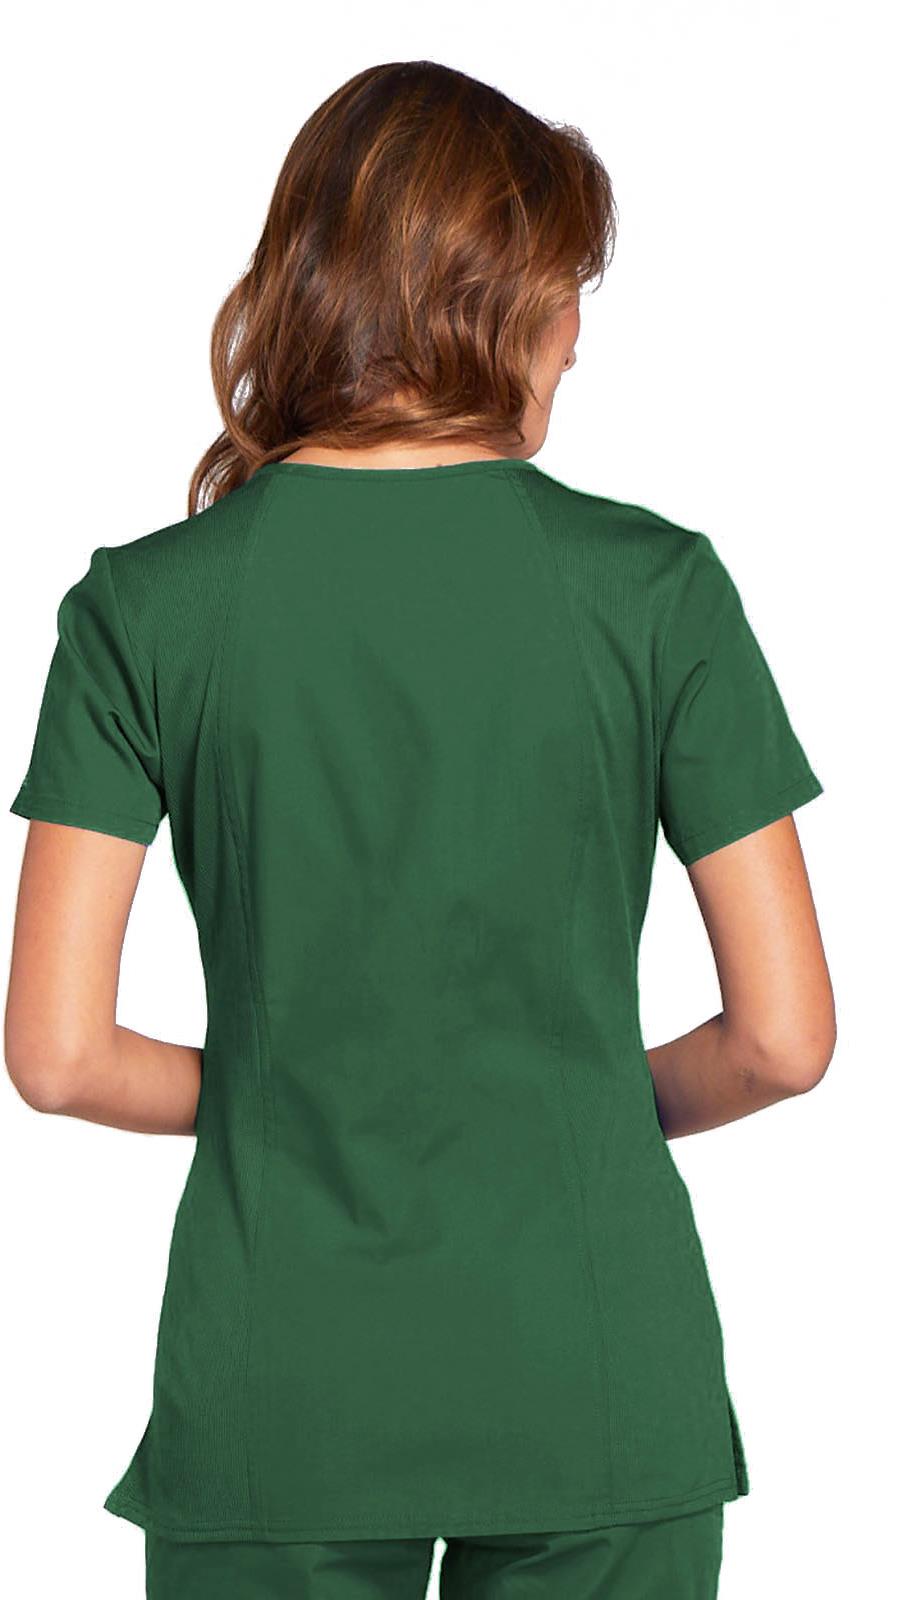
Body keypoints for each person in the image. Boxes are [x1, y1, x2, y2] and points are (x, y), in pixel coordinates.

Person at [4, 58, 834, 1600]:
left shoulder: (144, 609)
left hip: (281, 1398)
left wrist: (302, 1090)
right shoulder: (656, 591)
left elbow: (57, 1056)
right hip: (600, 1382)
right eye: (568, 289)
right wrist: (566, 1093)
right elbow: (783, 1042)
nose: (580, 334)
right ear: (492, 299)